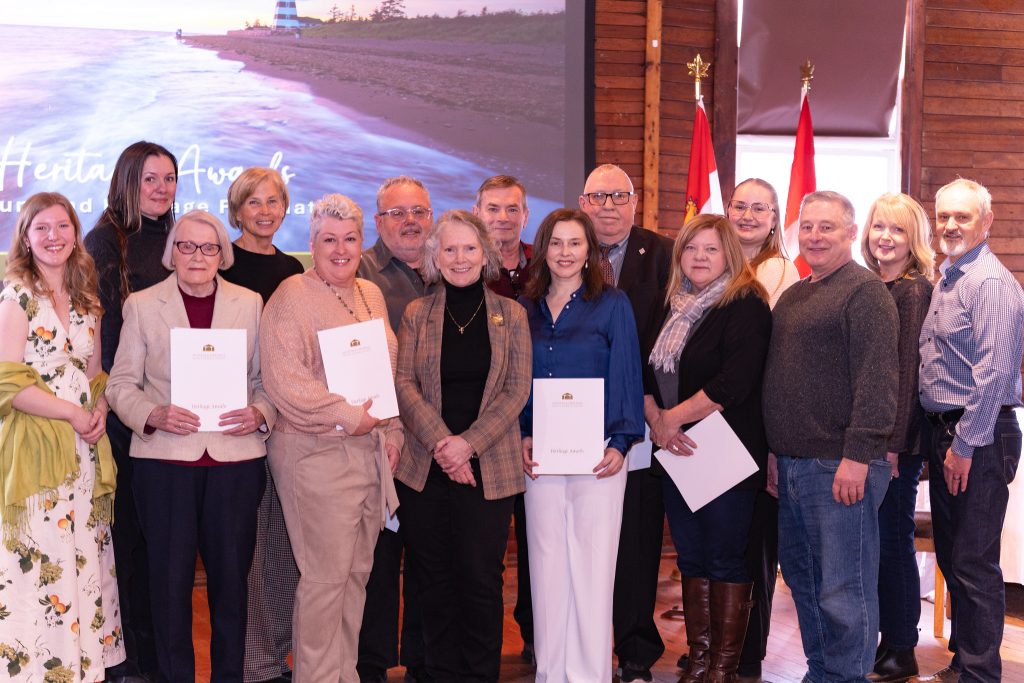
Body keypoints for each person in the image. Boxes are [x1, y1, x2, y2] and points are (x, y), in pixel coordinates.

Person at [106, 210, 275, 683]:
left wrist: (260, 413)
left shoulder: (250, 303)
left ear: (223, 255)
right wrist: (153, 414)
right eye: (186, 246)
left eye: (208, 247)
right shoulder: (142, 305)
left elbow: (266, 382)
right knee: (168, 586)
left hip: (234, 463)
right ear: (171, 253)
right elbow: (120, 385)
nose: (197, 256)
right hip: (165, 464)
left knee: (231, 587)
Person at [260, 194, 402, 683]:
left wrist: (391, 429)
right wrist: (347, 415)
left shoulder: (370, 293)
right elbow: (285, 381)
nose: (340, 250)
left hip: (368, 451)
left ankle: (344, 675)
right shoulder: (291, 296)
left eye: (349, 239)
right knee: (324, 581)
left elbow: (385, 371)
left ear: (362, 242)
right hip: (314, 454)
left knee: (356, 577)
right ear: (312, 243)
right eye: (328, 240)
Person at [762, 191, 899, 683]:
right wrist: (776, 451)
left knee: (844, 590)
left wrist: (858, 456)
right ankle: (822, 673)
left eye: (827, 227)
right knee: (804, 582)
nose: (815, 236)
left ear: (850, 232)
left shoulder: (865, 293)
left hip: (840, 466)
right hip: (793, 465)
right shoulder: (795, 295)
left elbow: (879, 380)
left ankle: (846, 678)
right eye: (808, 227)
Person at [394, 209, 532, 681]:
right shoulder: (417, 314)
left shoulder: (512, 314)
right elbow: (404, 384)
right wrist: (444, 445)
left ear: (485, 254)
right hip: (426, 467)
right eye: (449, 249)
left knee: (480, 581)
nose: (459, 258)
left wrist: (467, 445)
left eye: (469, 248)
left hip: (488, 468)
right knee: (432, 581)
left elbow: (516, 389)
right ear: (435, 257)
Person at [0, 193, 123, 682]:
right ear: (26, 238)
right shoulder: (16, 298)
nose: (54, 237)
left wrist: (98, 410)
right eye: (42, 228)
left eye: (62, 226)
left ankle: (78, 666)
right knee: (41, 557)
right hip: (36, 449)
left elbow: (95, 374)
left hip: (83, 450)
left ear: (76, 233)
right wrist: (71, 412)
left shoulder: (88, 299)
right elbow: (7, 383)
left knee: (80, 552)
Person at [520, 208, 645, 682]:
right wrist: (523, 434)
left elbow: (627, 373)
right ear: (543, 250)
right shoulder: (525, 309)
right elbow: (517, 380)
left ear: (590, 251)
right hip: (541, 458)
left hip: (599, 456)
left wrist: (621, 441)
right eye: (556, 243)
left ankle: (590, 674)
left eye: (575, 243)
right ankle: (551, 673)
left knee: (592, 570)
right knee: (546, 568)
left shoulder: (612, 304)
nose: (565, 252)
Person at [645, 214, 771, 683]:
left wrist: (671, 418)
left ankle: (723, 668)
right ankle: (699, 662)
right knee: (691, 559)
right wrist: (657, 420)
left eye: (711, 249)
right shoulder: (671, 304)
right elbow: (644, 371)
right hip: (675, 451)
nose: (699, 257)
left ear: (729, 255)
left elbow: (733, 383)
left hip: (725, 454)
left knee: (724, 558)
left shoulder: (746, 304)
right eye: (691, 248)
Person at [917, 178, 1024, 683]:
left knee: (974, 561)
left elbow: (995, 375)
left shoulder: (990, 284)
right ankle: (964, 664)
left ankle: (981, 675)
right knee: (954, 556)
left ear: (987, 222)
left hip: (978, 435)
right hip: (950, 433)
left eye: (962, 216)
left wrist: (962, 445)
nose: (950, 225)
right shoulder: (950, 278)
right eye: (944, 216)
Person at [84, 140, 178, 683]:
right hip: (124, 416)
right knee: (128, 544)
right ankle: (129, 663)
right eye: (150, 179)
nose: (162, 188)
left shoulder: (180, 237)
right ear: (126, 182)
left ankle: (160, 661)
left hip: (174, 415)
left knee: (162, 546)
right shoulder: (103, 241)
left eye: (169, 178)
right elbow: (102, 334)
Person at [579, 163, 672, 682]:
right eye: (598, 196)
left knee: (635, 540)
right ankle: (576, 646)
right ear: (583, 202)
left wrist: (650, 406)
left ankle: (635, 651)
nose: (609, 206)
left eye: (619, 196)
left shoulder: (663, 254)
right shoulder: (566, 249)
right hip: (570, 418)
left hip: (637, 418)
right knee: (578, 540)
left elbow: (671, 335)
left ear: (635, 202)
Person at [221, 167, 305, 683]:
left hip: (291, 422)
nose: (265, 211)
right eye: (254, 202)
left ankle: (281, 653)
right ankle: (255, 662)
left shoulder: (294, 269)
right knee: (249, 551)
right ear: (237, 211)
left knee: (284, 549)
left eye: (273, 201)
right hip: (236, 421)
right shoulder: (219, 264)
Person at [356, 175, 431, 683]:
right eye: (396, 213)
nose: (409, 222)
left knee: (428, 559)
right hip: (379, 439)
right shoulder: (357, 272)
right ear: (379, 221)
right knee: (377, 561)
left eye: (418, 211)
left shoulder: (450, 267)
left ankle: (424, 662)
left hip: (433, 441)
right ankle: (371, 665)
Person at [725, 178, 799, 683]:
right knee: (722, 545)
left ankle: (747, 655)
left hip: (759, 427)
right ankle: (722, 648)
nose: (748, 216)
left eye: (760, 208)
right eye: (740, 206)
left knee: (754, 547)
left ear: (774, 220)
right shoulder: (715, 263)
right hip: (716, 424)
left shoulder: (778, 272)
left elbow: (772, 358)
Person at [858, 193, 935, 683]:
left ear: (914, 239)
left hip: (896, 446)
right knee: (873, 544)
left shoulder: (912, 291)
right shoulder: (870, 286)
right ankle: (879, 640)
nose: (885, 237)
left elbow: (907, 375)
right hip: (867, 440)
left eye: (898, 229)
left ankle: (902, 647)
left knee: (892, 541)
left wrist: (891, 447)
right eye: (879, 226)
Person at [473, 174, 536, 663]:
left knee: (539, 547)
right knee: (486, 555)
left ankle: (537, 639)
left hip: (545, 430)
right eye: (493, 209)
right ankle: (484, 655)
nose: (502, 218)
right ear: (478, 213)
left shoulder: (548, 263)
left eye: (512, 209)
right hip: (488, 434)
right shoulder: (465, 267)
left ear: (525, 215)